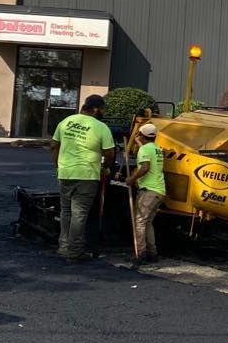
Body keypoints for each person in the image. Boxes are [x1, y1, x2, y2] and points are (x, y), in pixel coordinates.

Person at [51, 94, 115, 263]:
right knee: (79, 214)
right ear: (95, 109)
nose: (102, 112)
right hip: (87, 175)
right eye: (101, 109)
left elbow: (54, 145)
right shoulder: (101, 127)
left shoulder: (65, 122)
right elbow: (110, 154)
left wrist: (58, 164)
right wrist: (105, 167)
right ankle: (75, 251)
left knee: (66, 212)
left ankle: (64, 247)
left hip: (65, 173)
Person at [127, 121, 166, 265]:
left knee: (140, 222)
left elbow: (144, 167)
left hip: (149, 190)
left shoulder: (144, 150)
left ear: (142, 135)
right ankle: (152, 253)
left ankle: (141, 254)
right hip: (159, 190)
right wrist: (138, 142)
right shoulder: (156, 148)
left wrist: (131, 179)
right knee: (148, 222)